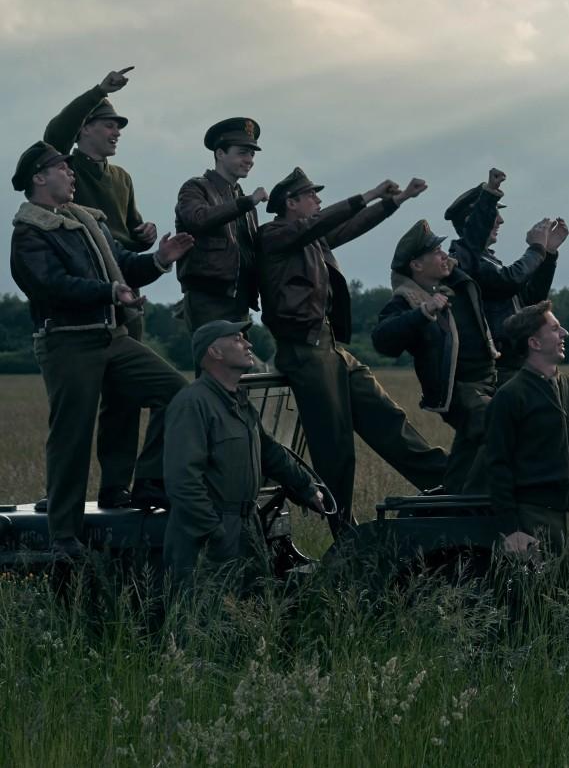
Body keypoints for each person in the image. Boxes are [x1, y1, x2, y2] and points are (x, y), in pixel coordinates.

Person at [10, 141, 194, 553]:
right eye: (63, 168)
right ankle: (63, 536)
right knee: (71, 437)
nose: (72, 174)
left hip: (113, 338)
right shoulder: (30, 233)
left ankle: (148, 482)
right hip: (67, 342)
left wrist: (161, 259)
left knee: (177, 394)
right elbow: (51, 285)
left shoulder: (85, 222)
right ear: (39, 177)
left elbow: (126, 268)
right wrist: (110, 291)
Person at [258, 167, 446, 527]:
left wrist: (396, 200)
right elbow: (326, 221)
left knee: (385, 416)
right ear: (291, 203)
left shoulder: (313, 238)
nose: (318, 200)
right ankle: (343, 531)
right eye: (311, 195)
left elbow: (350, 226)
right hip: (304, 351)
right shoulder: (276, 233)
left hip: (330, 347)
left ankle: (447, 481)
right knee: (335, 447)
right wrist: (369, 193)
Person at [42, 67, 158, 509]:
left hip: (126, 296)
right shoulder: (64, 168)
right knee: (75, 410)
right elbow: (55, 131)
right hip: (85, 296)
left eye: (118, 127)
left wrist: (145, 235)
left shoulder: (121, 177)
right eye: (110, 124)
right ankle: (60, 499)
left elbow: (129, 231)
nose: (116, 133)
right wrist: (99, 90)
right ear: (85, 128)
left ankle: (117, 486)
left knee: (124, 400)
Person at [163, 320, 326, 590]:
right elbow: (182, 480)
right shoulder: (192, 403)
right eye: (238, 339)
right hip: (212, 530)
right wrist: (212, 531)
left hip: (247, 524)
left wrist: (306, 488)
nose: (248, 344)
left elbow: (271, 453)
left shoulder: (239, 402)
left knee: (249, 612)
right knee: (205, 619)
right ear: (215, 352)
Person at [372, 220, 500, 493]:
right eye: (437, 252)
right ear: (417, 266)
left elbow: (473, 238)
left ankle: (453, 495)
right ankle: (478, 500)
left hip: (492, 378)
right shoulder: (407, 300)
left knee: (479, 442)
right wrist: (422, 313)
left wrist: (490, 193)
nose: (446, 256)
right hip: (460, 390)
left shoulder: (456, 279)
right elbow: (382, 340)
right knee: (495, 421)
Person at [480, 302, 569, 574]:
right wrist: (511, 530)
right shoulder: (510, 397)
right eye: (555, 329)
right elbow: (497, 465)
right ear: (534, 342)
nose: (565, 334)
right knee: (536, 608)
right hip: (533, 520)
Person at [444, 168, 565, 375]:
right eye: (494, 213)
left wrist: (549, 254)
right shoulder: (464, 261)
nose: (500, 220)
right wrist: (537, 249)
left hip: (512, 361)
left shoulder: (486, 259)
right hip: (497, 367)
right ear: (473, 220)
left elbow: (531, 300)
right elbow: (509, 280)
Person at [174, 118, 269, 329]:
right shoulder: (195, 188)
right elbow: (198, 219)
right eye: (242, 152)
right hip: (209, 297)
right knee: (214, 359)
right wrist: (247, 202)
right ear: (220, 153)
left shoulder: (244, 200)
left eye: (252, 154)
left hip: (240, 297)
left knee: (238, 361)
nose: (249, 160)